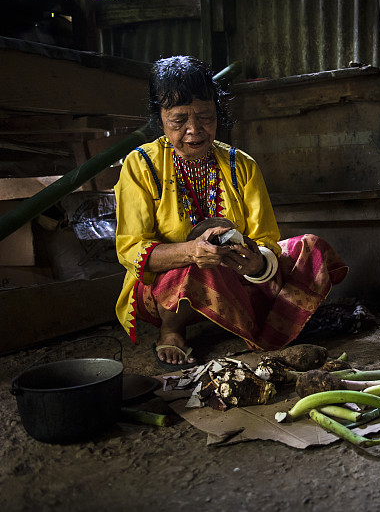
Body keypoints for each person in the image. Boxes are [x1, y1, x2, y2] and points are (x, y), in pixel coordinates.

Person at [114, 55, 348, 370]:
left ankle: (250, 318)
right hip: (176, 284)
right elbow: (130, 249)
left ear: (217, 113)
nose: (194, 130)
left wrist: (258, 261)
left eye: (205, 117)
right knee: (194, 269)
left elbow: (266, 238)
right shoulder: (140, 166)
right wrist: (191, 252)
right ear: (159, 118)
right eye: (179, 120)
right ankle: (172, 330)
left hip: (241, 277)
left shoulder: (242, 165)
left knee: (309, 247)